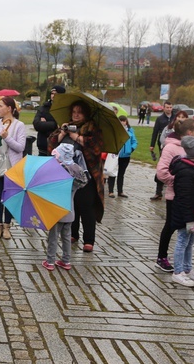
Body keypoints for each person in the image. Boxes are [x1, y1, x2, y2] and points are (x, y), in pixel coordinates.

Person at [48, 99, 104, 252]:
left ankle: (89, 240)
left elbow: (97, 147)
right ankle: (73, 233)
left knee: (86, 206)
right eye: (74, 112)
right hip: (65, 173)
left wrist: (77, 137)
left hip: (87, 174)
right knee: (71, 203)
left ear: (85, 113)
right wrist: (62, 133)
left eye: (79, 112)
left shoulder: (92, 128)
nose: (76, 115)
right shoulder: (65, 126)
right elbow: (51, 144)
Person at [154, 118, 194, 273]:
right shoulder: (171, 148)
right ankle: (161, 257)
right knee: (170, 226)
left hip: (190, 195)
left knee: (183, 230)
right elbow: (161, 172)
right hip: (175, 195)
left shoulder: (192, 148)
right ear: (189, 133)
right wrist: (178, 181)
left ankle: (185, 264)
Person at [169, 136, 194, 287]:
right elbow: (184, 197)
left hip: (193, 213)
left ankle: (187, 268)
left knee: (190, 242)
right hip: (186, 215)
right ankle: (178, 272)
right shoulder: (186, 171)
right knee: (182, 242)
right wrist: (188, 219)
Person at [0, 97, 27, 239]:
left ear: (9, 108)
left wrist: (7, 137)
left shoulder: (19, 125)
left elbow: (20, 147)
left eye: (1, 106)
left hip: (13, 166)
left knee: (9, 196)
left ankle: (7, 226)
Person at [43, 144, 88, 271]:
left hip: (56, 211)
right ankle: (66, 261)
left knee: (53, 237)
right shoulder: (76, 170)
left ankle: (50, 261)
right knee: (66, 237)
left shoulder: (58, 171)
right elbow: (83, 182)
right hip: (70, 211)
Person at [107, 115, 137, 198]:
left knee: (121, 173)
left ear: (126, 122)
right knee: (112, 173)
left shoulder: (130, 131)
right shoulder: (115, 130)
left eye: (124, 121)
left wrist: (131, 149)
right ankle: (111, 191)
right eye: (121, 121)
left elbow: (134, 141)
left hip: (126, 155)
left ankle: (120, 191)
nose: (123, 123)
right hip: (115, 155)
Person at [149, 101, 173, 200]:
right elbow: (155, 132)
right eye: (167, 107)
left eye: (170, 107)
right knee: (163, 166)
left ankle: (170, 187)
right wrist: (152, 144)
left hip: (176, 147)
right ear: (163, 108)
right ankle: (158, 191)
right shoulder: (160, 119)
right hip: (163, 146)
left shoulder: (175, 117)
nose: (169, 109)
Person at [33, 85, 64, 156]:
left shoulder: (64, 110)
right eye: (52, 93)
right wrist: (54, 125)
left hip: (58, 149)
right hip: (43, 148)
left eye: (56, 94)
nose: (53, 96)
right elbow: (37, 124)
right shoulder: (43, 108)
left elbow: (62, 127)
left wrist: (46, 124)